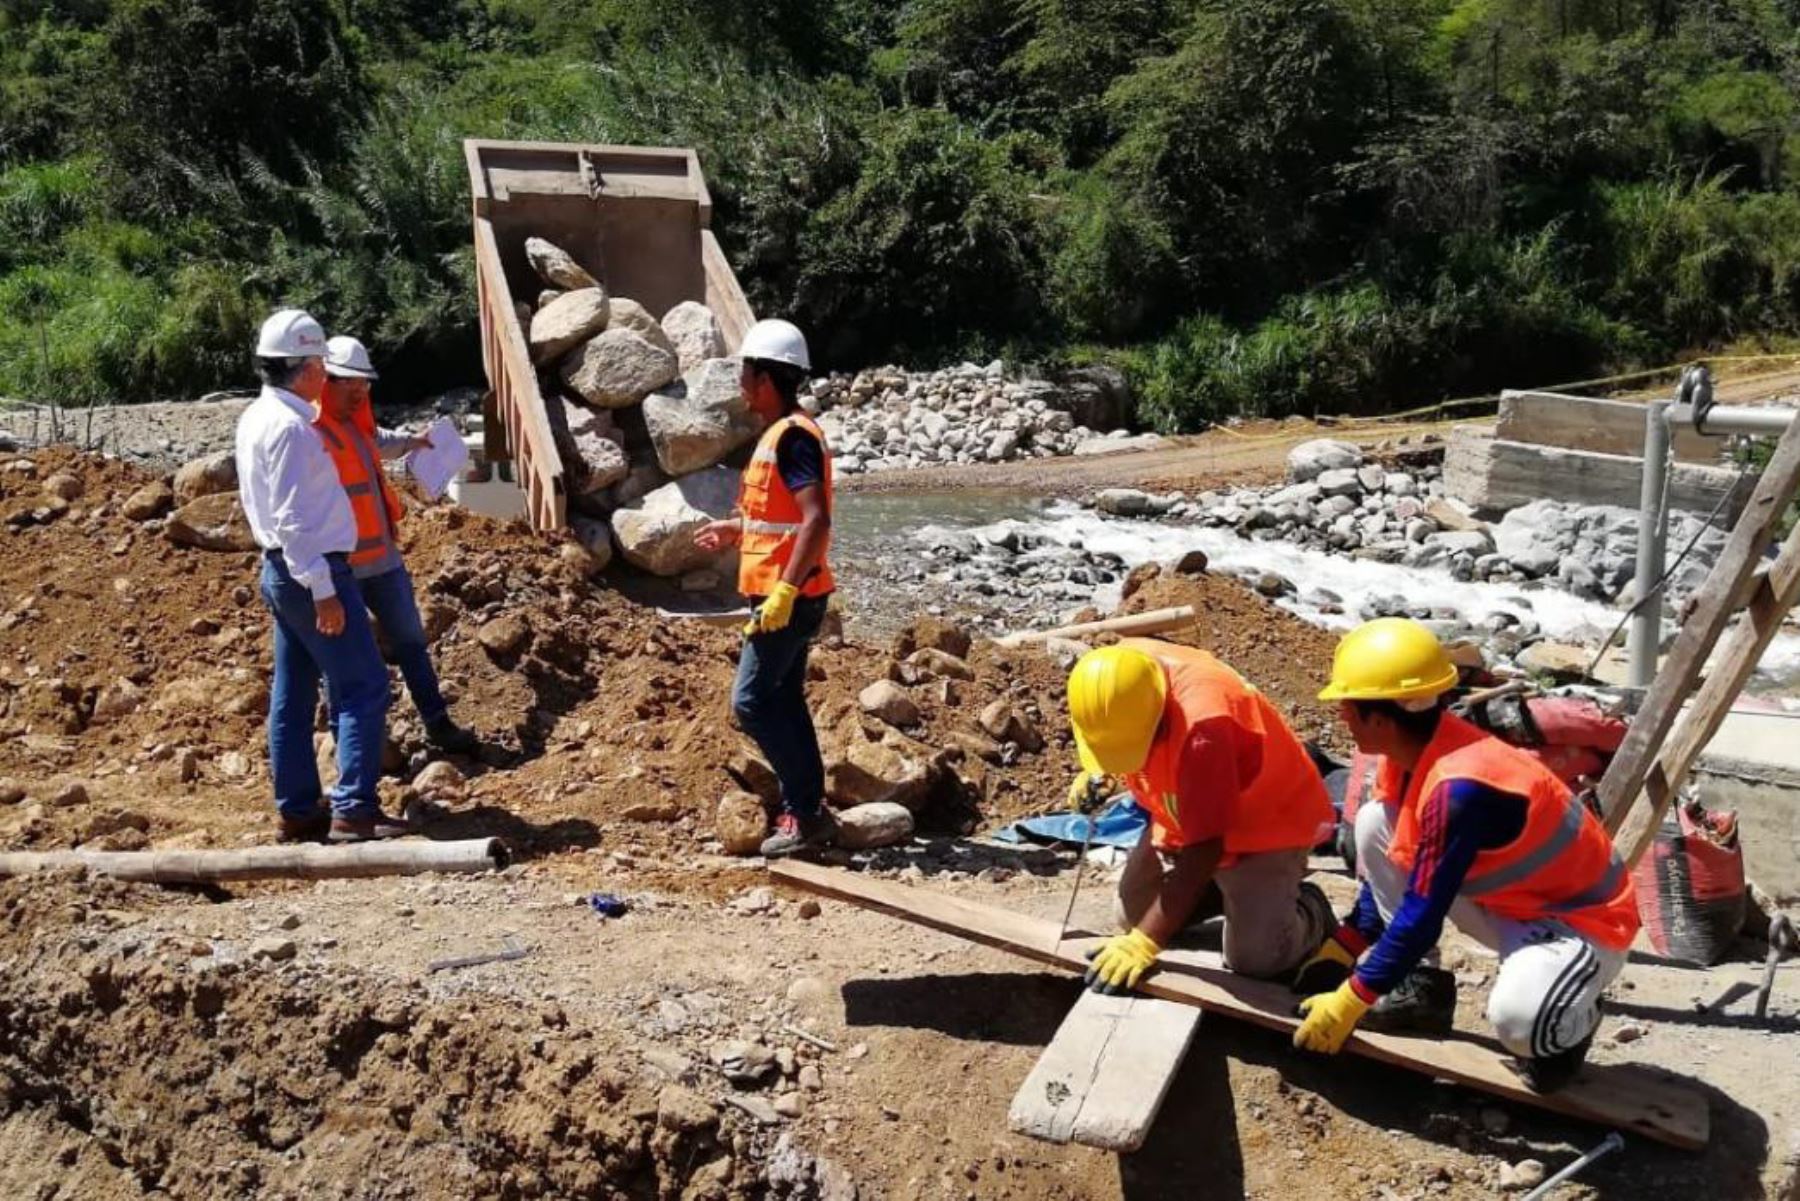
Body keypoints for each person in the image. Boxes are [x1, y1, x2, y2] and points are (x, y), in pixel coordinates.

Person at [1292, 618, 1639, 1091]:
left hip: (1584, 926)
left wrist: (1351, 998)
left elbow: (1423, 910)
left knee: (1519, 1025)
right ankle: (1420, 988)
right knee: (1376, 820)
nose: (1341, 716)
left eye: (1347, 706)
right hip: (1513, 905)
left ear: (1379, 718)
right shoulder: (1413, 756)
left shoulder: (1462, 789)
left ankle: (1573, 1020)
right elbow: (1398, 859)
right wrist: (1346, 945)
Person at [1067, 640, 1336, 994]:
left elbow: (1206, 848)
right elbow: (1111, 726)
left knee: (1256, 960)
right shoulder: (1116, 672)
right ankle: (1219, 893)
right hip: (1185, 810)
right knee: (1132, 915)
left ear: (1159, 715)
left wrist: (1145, 942)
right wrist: (1099, 769)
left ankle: (1309, 909)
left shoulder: (1204, 732)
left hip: (1264, 822)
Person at [235, 310, 408, 843]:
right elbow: (293, 521)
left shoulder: (257, 416)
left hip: (283, 571)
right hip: (310, 572)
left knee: (293, 691)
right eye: (318, 363)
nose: (323, 372)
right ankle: (354, 810)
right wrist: (325, 590)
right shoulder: (293, 429)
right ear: (306, 367)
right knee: (363, 685)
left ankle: (299, 808)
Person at [693, 319, 837, 858]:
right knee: (782, 697)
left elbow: (814, 520)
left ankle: (805, 812)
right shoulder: (781, 433)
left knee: (751, 702)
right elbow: (781, 519)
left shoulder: (793, 437)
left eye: (745, 372)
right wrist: (737, 529)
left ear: (767, 379)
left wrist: (783, 593)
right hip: (789, 594)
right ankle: (808, 810)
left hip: (789, 598)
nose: (740, 382)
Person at [316, 335, 477, 754]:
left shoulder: (355, 414)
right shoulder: (308, 430)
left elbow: (374, 440)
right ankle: (350, 751)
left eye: (364, 383)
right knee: (344, 664)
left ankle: (438, 725)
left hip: (382, 559)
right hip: (341, 568)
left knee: (410, 641)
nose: (360, 391)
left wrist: (413, 441)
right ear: (325, 379)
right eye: (350, 382)